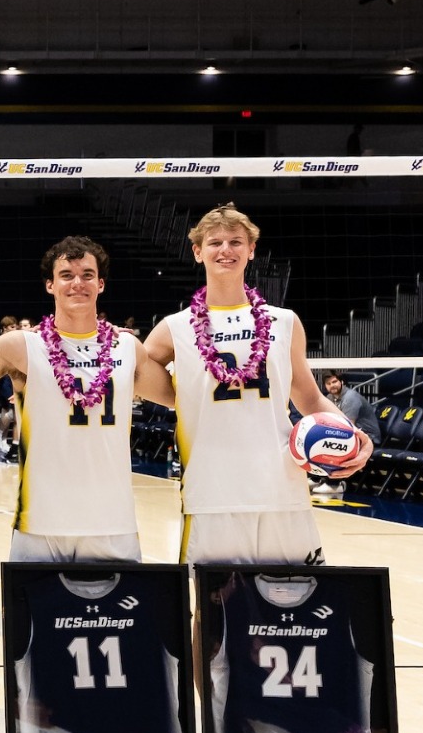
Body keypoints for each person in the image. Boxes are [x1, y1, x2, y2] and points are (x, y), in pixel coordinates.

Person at [136, 204, 371, 565]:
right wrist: (181, 397)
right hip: (211, 492)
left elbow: (308, 397)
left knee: (300, 599)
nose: (226, 250)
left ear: (251, 250)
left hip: (281, 487)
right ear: (197, 252)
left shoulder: (284, 321)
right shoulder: (175, 327)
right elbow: (138, 373)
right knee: (213, 612)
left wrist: (354, 436)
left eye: (235, 242)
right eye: (215, 242)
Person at [0, 236, 167, 562]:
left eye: (88, 275)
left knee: (118, 615)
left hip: (112, 523)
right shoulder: (21, 347)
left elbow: (182, 395)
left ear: (101, 284)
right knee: (30, 614)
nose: (78, 283)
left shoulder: (128, 348)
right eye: (67, 275)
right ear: (50, 285)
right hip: (39, 524)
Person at [313, 369, 380, 498]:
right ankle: (317, 477)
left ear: (342, 382)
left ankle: (334, 483)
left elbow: (348, 425)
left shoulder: (351, 397)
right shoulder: (329, 398)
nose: (332, 385)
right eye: (328, 383)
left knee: (336, 441)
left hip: (367, 435)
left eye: (334, 381)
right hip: (351, 432)